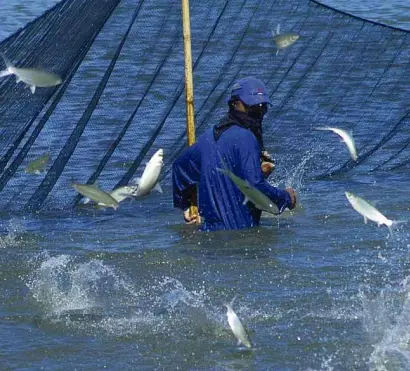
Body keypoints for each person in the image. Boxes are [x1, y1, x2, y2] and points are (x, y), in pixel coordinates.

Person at [172, 76, 297, 231]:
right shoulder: (247, 138)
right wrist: (285, 197)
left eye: (262, 107)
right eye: (253, 107)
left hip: (209, 239)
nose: (259, 112)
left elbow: (179, 167)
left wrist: (188, 206)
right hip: (241, 238)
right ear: (234, 104)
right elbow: (255, 187)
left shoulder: (208, 137)